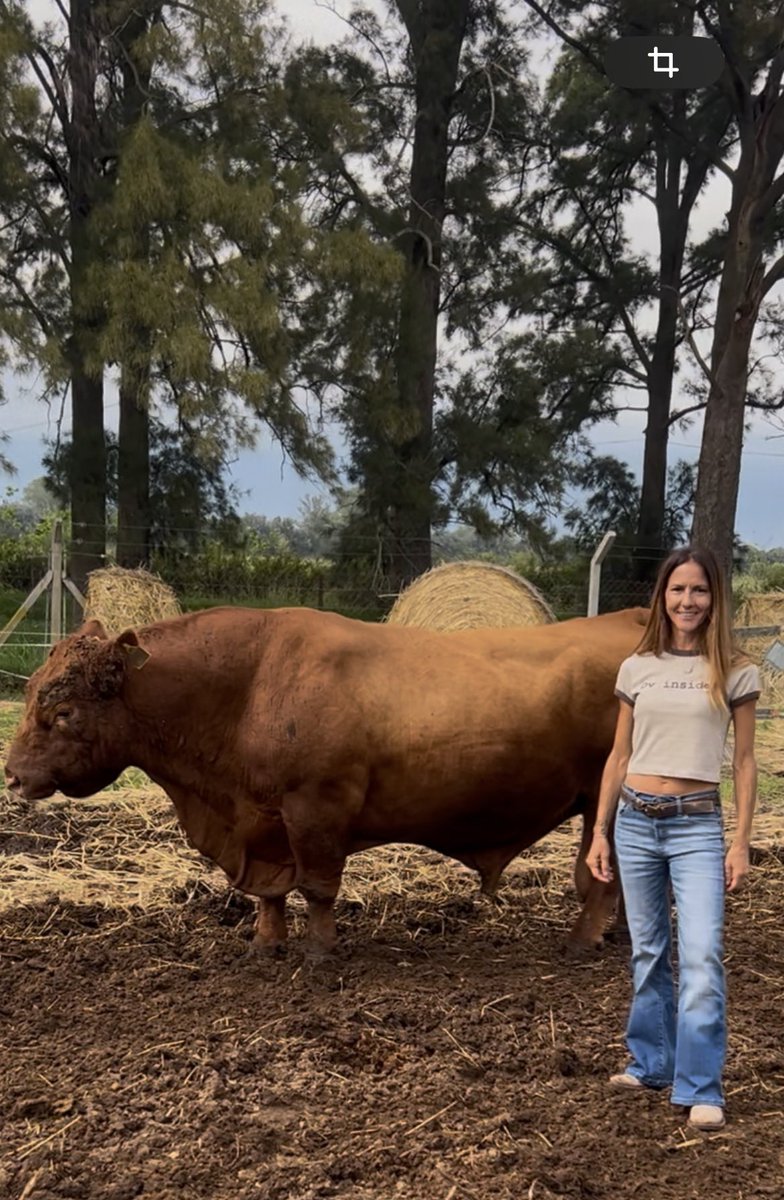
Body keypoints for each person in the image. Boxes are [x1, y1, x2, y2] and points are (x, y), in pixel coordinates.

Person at [586, 545, 760, 1133]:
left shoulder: (736, 669)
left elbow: (743, 761)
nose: (688, 600)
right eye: (678, 589)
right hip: (635, 821)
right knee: (648, 950)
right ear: (664, 596)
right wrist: (600, 833)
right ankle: (651, 1063)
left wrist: (739, 840)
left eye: (700, 590)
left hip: (695, 826)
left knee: (703, 955)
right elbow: (620, 753)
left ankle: (701, 1086)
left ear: (716, 599)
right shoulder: (637, 666)